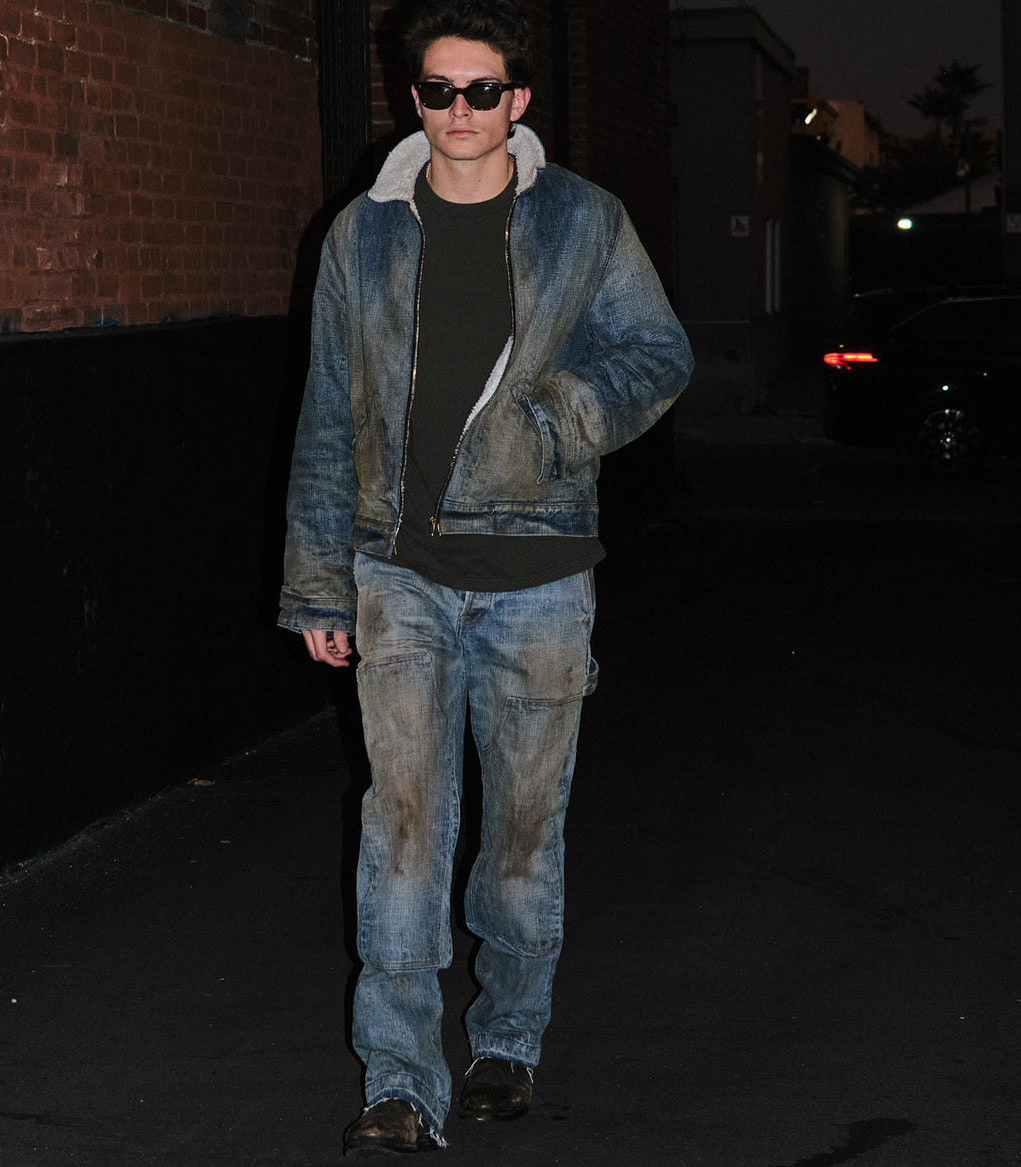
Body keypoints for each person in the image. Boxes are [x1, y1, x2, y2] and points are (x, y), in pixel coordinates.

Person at [278, 0, 692, 1154]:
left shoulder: (581, 220)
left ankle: (507, 1036)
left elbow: (658, 353)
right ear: (413, 99)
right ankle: (400, 1081)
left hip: (539, 573)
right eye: (436, 90)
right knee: (402, 827)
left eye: (480, 90)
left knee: (519, 830)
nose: (457, 110)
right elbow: (327, 410)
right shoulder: (364, 233)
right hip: (397, 570)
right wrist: (318, 584)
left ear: (516, 101)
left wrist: (558, 421)